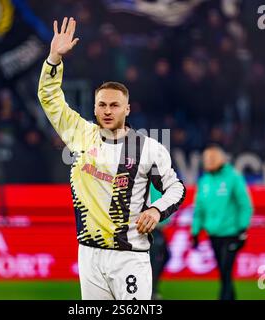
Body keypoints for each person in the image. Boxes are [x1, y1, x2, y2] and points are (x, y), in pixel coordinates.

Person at [38, 17, 186, 300]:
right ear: (94, 108)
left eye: (115, 105)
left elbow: (176, 188)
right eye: (102, 105)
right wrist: (54, 58)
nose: (108, 110)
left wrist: (155, 211)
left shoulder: (148, 148)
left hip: (130, 256)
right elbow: (50, 98)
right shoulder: (81, 135)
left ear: (127, 109)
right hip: (89, 254)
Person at [191, 144, 252, 300]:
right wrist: (195, 232)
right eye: (206, 159)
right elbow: (199, 209)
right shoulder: (204, 181)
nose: (208, 161)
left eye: (211, 158)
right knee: (224, 274)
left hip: (231, 233)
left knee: (225, 271)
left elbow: (244, 205)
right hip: (213, 234)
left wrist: (242, 229)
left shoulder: (233, 177)